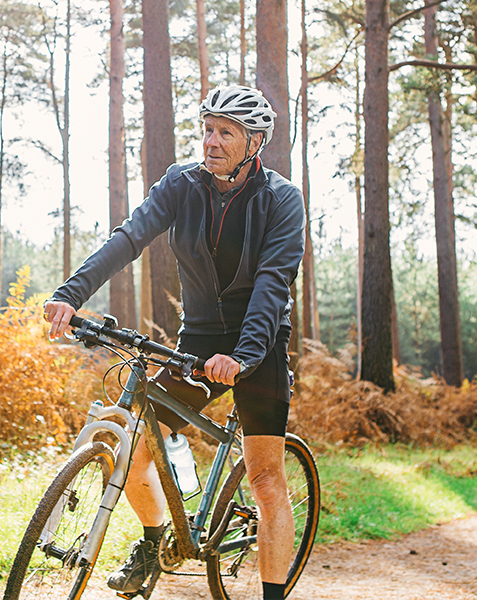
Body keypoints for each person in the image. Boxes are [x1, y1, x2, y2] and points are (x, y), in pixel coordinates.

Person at [43, 84, 305, 600]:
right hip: (199, 341)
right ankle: (153, 541)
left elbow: (274, 282)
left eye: (225, 132)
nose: (211, 141)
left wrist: (246, 355)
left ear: (254, 142)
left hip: (259, 347)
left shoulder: (282, 200)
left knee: (266, 479)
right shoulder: (181, 184)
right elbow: (129, 237)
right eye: (207, 129)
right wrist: (71, 294)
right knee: (137, 450)